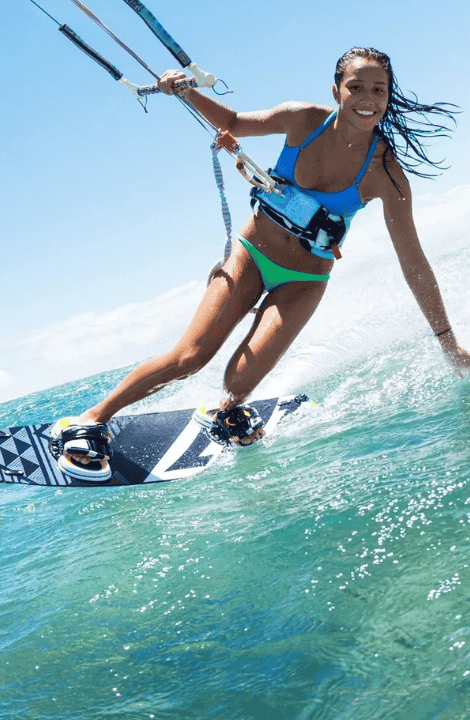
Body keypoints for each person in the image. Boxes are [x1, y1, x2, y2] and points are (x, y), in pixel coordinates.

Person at [49, 47, 470, 481]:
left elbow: (414, 262)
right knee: (190, 357)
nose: (368, 98)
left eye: (378, 89)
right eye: (356, 86)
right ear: (337, 91)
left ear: (388, 95)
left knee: (239, 380)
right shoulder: (303, 120)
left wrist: (447, 341)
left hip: (305, 279)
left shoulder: (385, 172)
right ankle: (91, 419)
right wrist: (186, 91)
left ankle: (227, 412)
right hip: (252, 254)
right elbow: (231, 123)